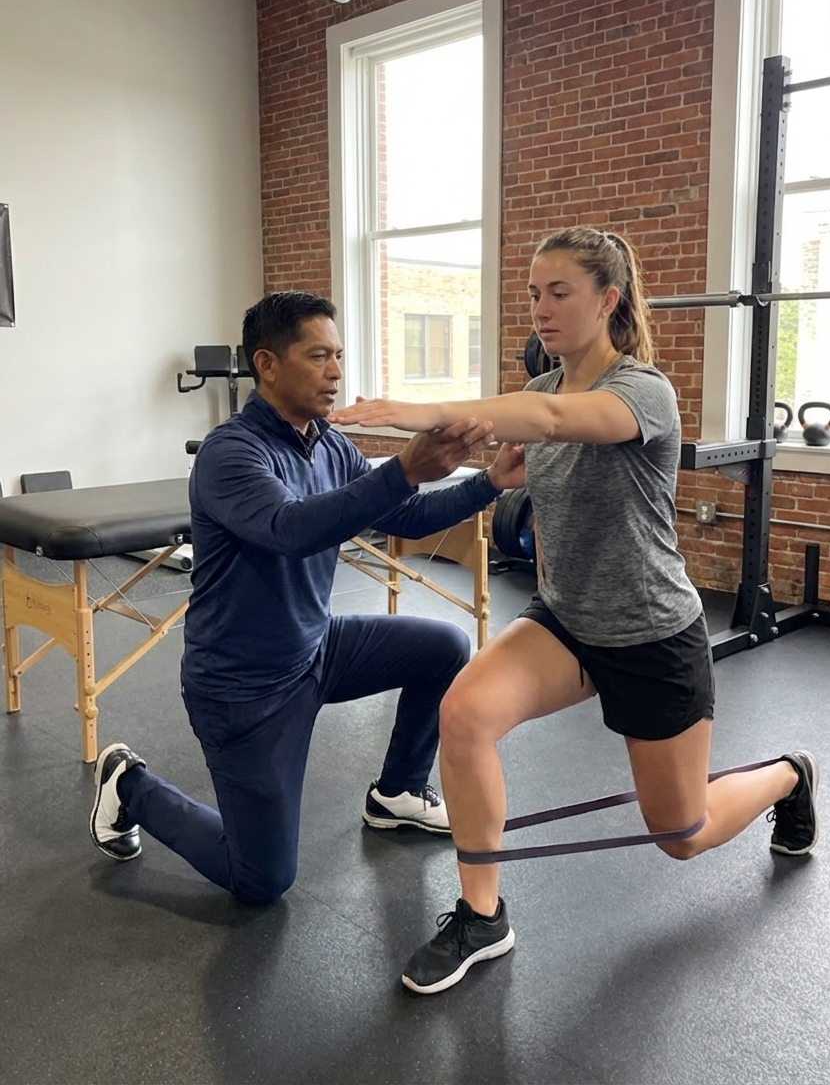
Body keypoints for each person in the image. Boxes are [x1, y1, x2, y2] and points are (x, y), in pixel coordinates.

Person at [330, 226, 819, 995]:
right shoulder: (543, 393)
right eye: (534, 294)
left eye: (559, 293)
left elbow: (558, 422)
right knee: (464, 714)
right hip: (566, 621)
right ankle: (482, 916)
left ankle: (789, 776)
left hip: (650, 632)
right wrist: (492, 476)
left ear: (608, 299)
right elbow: (539, 432)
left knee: (681, 832)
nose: (541, 309)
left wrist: (417, 410)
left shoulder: (641, 391)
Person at [89, 291, 525, 907]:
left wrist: (490, 483)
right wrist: (401, 469)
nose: (336, 372)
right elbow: (289, 530)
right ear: (267, 364)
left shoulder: (329, 445)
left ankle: (398, 792)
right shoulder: (230, 452)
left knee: (445, 647)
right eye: (319, 357)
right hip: (244, 685)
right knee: (261, 880)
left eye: (338, 356)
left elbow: (404, 516)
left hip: (316, 648)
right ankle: (129, 784)